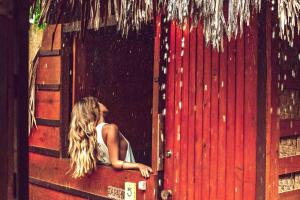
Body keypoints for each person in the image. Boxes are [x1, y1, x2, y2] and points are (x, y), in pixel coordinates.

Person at [68, 96, 153, 178]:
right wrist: (139, 165)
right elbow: (115, 163)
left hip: (116, 179)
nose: (101, 103)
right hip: (128, 178)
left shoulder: (92, 135)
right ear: (95, 109)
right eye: (98, 102)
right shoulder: (110, 129)